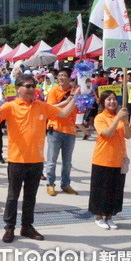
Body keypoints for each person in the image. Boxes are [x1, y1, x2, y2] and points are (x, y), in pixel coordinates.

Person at [0, 74, 78, 243]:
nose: (31, 89)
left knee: (30, 197)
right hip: (16, 159)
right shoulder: (10, 106)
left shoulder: (42, 106)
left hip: (36, 160)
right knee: (13, 196)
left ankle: (27, 227)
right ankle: (9, 227)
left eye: (33, 86)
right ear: (18, 88)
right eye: (28, 86)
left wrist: (75, 97)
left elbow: (64, 113)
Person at [89, 90, 131, 229]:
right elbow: (107, 133)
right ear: (103, 102)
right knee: (100, 190)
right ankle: (99, 216)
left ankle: (109, 216)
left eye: (114, 99)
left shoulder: (120, 117)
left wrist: (125, 122)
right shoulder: (100, 118)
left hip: (118, 159)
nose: (112, 102)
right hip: (102, 159)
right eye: (108, 100)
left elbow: (128, 135)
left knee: (115, 190)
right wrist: (117, 118)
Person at [44, 68, 79, 196]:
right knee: (52, 160)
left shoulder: (75, 91)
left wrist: (77, 96)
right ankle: (50, 183)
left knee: (67, 162)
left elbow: (82, 106)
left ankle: (65, 184)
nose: (61, 78)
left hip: (70, 130)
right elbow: (50, 107)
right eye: (59, 75)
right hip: (55, 129)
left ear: (70, 78)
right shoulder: (54, 90)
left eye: (64, 75)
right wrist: (66, 101)